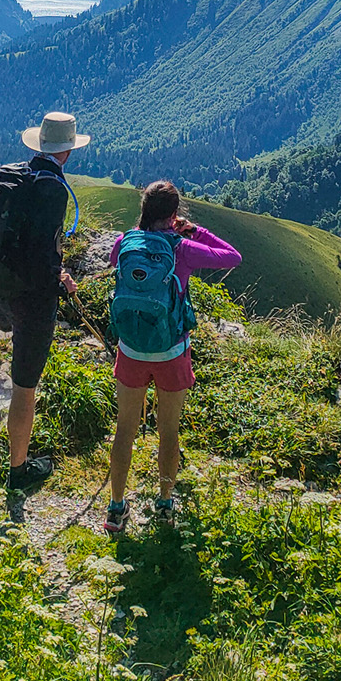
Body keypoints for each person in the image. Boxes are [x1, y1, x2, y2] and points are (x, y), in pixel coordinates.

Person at [0, 110, 87, 500]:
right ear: (66, 152)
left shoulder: (8, 174)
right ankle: (18, 470)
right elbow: (43, 252)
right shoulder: (53, 190)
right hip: (32, 298)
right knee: (24, 388)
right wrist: (59, 279)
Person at [103, 180, 241, 535]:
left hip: (131, 349)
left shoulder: (125, 242)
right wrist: (196, 231)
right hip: (171, 352)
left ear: (144, 208)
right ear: (174, 214)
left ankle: (116, 508)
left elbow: (111, 262)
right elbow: (232, 257)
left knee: (124, 429)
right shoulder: (181, 248)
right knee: (168, 431)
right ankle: (164, 504)